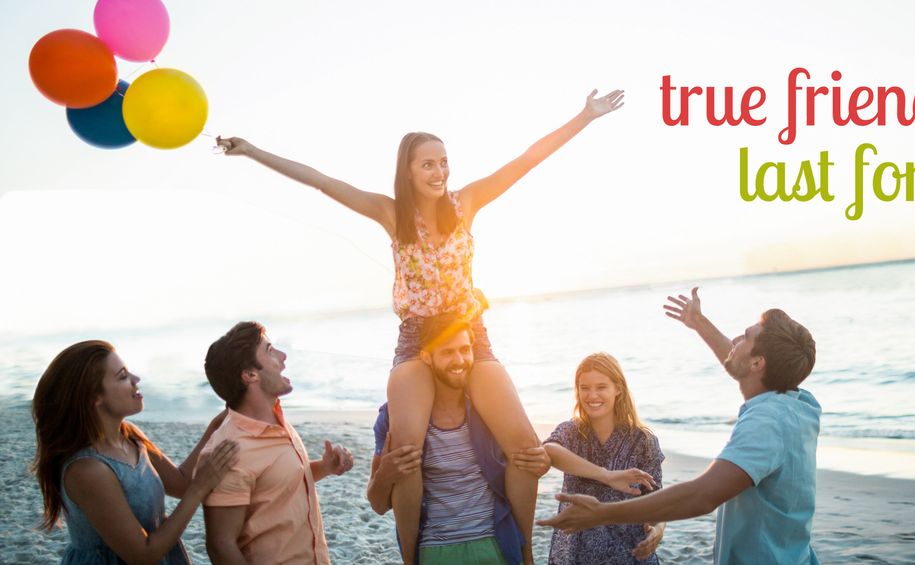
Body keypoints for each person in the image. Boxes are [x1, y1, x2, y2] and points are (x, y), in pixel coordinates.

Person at [216, 87, 623, 563]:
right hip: (415, 342)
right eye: (428, 163)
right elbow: (322, 182)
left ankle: (526, 553)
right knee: (405, 451)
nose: (439, 171)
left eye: (444, 161)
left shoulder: (466, 203)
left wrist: (585, 116)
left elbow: (526, 161)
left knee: (526, 449)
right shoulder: (393, 215)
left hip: (471, 337)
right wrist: (251, 151)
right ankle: (411, 556)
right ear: (408, 170)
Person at [538, 288, 821, 565]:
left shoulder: (767, 423)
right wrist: (699, 323)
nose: (735, 339)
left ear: (758, 363)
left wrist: (602, 513)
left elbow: (702, 495)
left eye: (745, 337)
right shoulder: (794, 403)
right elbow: (741, 360)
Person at [31, 340, 239, 565]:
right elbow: (143, 555)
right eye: (122, 376)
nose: (136, 380)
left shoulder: (129, 436)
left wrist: (219, 423)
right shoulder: (88, 469)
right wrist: (200, 488)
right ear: (93, 397)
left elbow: (181, 484)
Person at [367, 313, 543, 564]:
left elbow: (532, 463)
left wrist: (541, 461)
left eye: (464, 349)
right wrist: (385, 473)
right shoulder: (393, 417)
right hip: (435, 551)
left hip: (495, 544)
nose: (459, 360)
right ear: (427, 357)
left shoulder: (491, 411)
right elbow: (378, 505)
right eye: (448, 352)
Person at [199, 322, 355, 565]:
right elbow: (221, 546)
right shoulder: (230, 449)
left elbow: (276, 484)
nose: (283, 357)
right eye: (270, 350)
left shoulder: (276, 421)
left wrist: (324, 467)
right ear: (250, 374)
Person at [511, 353, 665, 564]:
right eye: (585, 388)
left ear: (618, 389)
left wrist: (657, 530)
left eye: (601, 387)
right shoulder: (571, 431)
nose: (592, 395)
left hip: (628, 553)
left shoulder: (644, 441)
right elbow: (549, 450)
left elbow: (658, 501)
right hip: (574, 553)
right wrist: (607, 476)